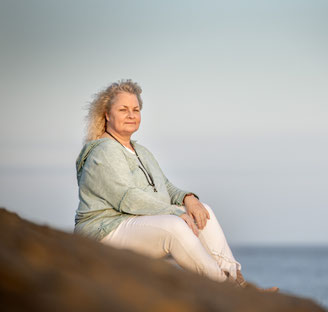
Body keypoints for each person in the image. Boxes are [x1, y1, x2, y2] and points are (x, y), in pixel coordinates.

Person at [74, 79, 278, 292]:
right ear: (107, 114)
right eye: (123, 109)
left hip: (134, 223)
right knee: (175, 226)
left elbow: (166, 187)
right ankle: (225, 288)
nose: (131, 115)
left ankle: (236, 280)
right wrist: (173, 212)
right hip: (104, 231)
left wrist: (188, 199)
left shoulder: (140, 151)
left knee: (203, 212)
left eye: (135, 109)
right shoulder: (103, 151)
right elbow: (127, 197)